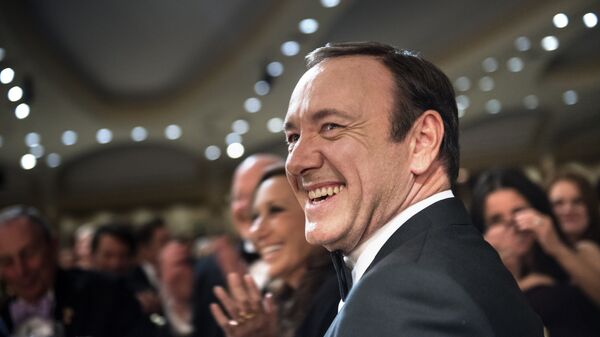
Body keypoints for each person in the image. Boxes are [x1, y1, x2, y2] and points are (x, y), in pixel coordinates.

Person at [282, 41, 543, 336]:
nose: (295, 162)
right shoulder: (456, 258)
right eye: (292, 137)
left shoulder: (402, 296)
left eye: (331, 126)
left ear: (422, 141)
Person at [210, 164, 339, 337]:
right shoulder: (276, 304)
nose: (256, 231)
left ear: (315, 212)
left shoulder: (338, 300)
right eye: (255, 216)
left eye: (275, 210)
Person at [471, 168, 600, 337]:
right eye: (497, 220)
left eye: (518, 212)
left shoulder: (580, 250)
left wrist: (556, 247)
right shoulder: (484, 273)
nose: (513, 225)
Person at [0, 205, 148, 337]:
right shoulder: (3, 316)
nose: (20, 270)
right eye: (7, 262)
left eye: (29, 254)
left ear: (53, 246)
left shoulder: (106, 293)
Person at [191, 154, 283, 337]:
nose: (244, 207)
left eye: (255, 194)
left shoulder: (323, 263)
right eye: (237, 197)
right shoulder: (210, 268)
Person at [547, 171, 600, 305]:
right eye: (558, 203)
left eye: (578, 201)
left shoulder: (587, 249)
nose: (568, 210)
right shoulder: (542, 256)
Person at [129, 218, 171, 315]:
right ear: (145, 249)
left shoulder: (183, 272)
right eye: (163, 242)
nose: (171, 246)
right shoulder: (132, 278)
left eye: (171, 240)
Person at [157, 239, 195, 337]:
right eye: (177, 264)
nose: (182, 271)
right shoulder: (154, 308)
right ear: (161, 272)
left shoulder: (205, 303)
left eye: (186, 263)